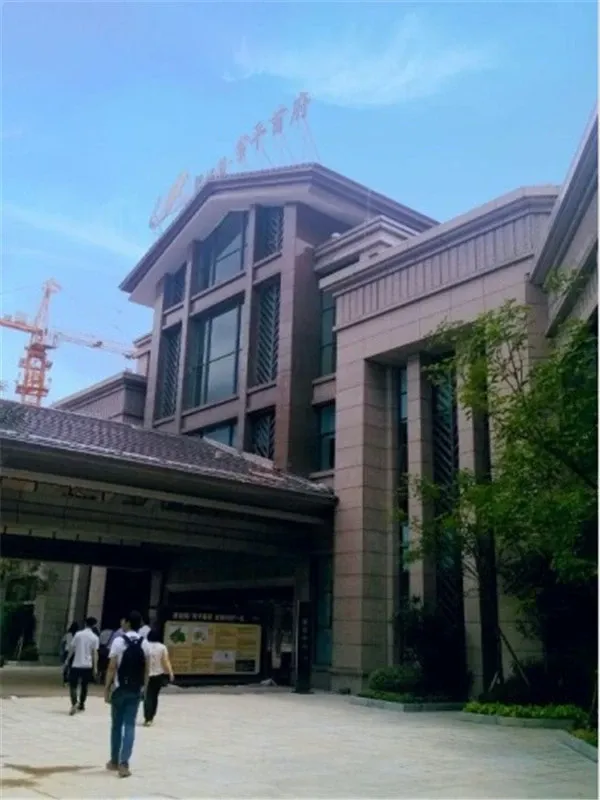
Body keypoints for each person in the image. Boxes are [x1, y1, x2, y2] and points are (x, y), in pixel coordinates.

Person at [104, 610, 149, 779]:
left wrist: (106, 688)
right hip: (135, 690)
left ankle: (114, 760)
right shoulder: (145, 643)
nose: (122, 623)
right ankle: (124, 763)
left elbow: (112, 667)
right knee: (130, 725)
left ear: (128, 623)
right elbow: (147, 670)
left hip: (119, 688)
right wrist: (144, 689)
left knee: (116, 725)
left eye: (124, 620)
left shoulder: (118, 641)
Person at [143, 627, 174, 726]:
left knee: (147, 695)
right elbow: (165, 660)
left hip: (146, 674)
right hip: (158, 674)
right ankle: (151, 716)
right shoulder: (162, 647)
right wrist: (170, 672)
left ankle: (147, 717)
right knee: (154, 696)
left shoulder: (145, 645)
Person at [68, 617, 99, 715]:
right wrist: (95, 667)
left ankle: (74, 703)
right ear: (94, 625)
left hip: (76, 664)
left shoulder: (78, 634)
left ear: (85, 624)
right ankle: (81, 704)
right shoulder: (95, 637)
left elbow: (72, 648)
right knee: (84, 686)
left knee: (73, 685)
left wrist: (67, 660)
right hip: (87, 665)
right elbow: (95, 653)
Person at [60, 621, 79, 685]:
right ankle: (72, 679)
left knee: (66, 665)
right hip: (75, 652)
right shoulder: (78, 635)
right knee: (72, 666)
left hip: (67, 651)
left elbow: (63, 643)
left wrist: (62, 651)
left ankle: (65, 679)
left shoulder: (68, 634)